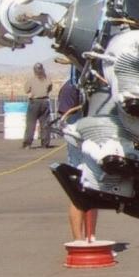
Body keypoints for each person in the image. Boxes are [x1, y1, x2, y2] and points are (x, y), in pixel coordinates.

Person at [57, 70, 98, 243]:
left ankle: (91, 236)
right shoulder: (70, 88)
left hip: (95, 143)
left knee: (95, 190)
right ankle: (78, 239)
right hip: (78, 144)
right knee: (78, 192)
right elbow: (64, 117)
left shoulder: (97, 86)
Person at [23, 63, 53, 148]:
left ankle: (27, 144)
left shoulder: (31, 80)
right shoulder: (47, 80)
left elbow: (26, 90)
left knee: (31, 123)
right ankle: (45, 143)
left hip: (34, 102)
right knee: (45, 123)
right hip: (45, 102)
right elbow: (50, 88)